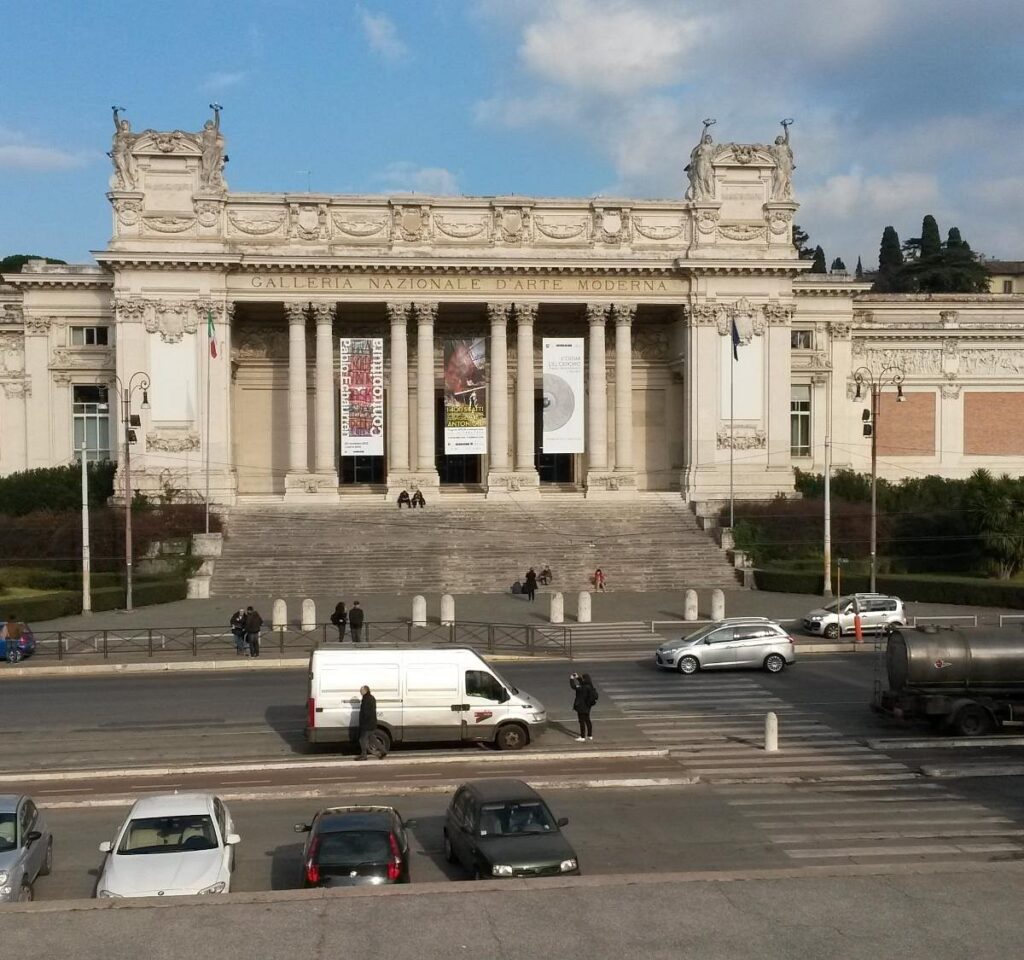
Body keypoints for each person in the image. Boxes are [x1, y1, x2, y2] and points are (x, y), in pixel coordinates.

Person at [570, 671, 598, 741]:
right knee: (587, 720)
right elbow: (582, 682)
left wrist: (571, 679)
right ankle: (590, 735)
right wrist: (578, 678)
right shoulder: (590, 686)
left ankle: (582, 737)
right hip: (588, 706)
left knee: (581, 721)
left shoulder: (582, 687)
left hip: (581, 706)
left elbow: (573, 686)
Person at [356, 685, 381, 760]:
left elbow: (366, 713)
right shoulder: (371, 698)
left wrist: (363, 724)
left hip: (367, 724)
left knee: (362, 739)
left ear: (365, 690)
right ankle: (383, 751)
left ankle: (364, 755)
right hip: (371, 723)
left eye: (361, 690)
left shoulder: (366, 699)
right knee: (373, 739)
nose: (360, 691)